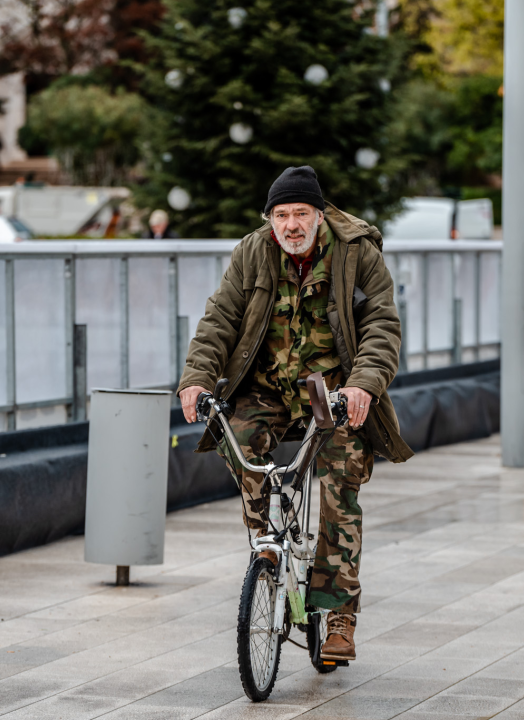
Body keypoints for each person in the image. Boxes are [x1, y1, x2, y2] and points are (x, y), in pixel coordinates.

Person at [177, 166, 413, 663]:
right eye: (280, 215)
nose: (291, 224)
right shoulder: (252, 252)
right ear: (269, 219)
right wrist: (197, 377)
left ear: (319, 215)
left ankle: (339, 613)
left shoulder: (357, 254)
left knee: (338, 483)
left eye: (301, 213)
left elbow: (381, 326)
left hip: (332, 392)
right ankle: (266, 541)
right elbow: (220, 319)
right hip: (267, 386)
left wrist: (362, 385)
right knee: (235, 437)